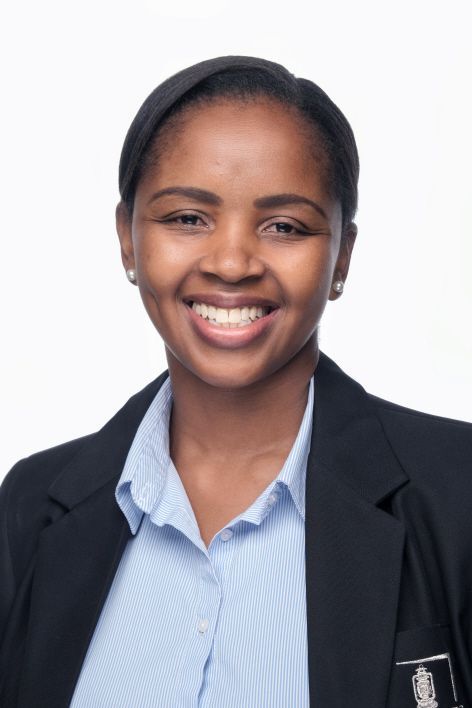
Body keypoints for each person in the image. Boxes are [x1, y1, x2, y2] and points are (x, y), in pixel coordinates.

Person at [0, 55, 471, 708]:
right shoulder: (30, 508)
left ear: (342, 259)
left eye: (285, 226)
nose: (230, 263)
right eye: (187, 218)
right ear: (128, 241)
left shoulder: (458, 494)